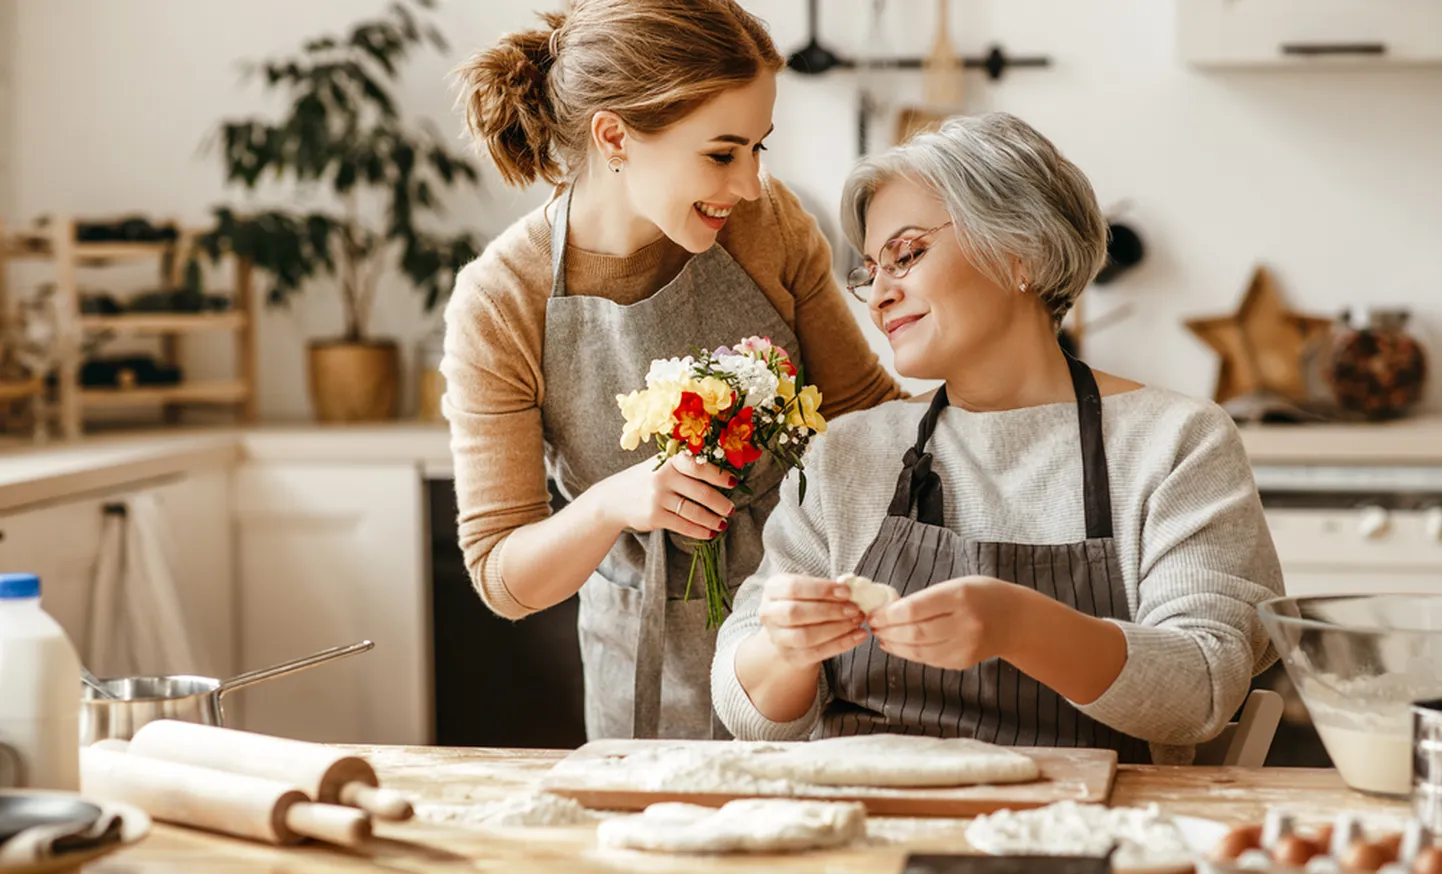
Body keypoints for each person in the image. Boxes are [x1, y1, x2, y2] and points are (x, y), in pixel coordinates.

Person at [712, 112, 1283, 764]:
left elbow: (1204, 690)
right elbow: (747, 711)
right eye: (872, 270)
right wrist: (786, 648)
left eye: (907, 254)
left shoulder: (1176, 442)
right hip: (860, 824)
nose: (879, 297)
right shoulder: (847, 451)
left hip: (1085, 830)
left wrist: (1020, 625)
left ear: (1023, 252)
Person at [443, 0, 901, 742]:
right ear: (615, 136)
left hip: (810, 634)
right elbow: (505, 578)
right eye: (723, 154)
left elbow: (868, 420)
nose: (750, 183)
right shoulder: (503, 298)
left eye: (759, 148)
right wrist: (610, 505)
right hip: (645, 669)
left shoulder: (765, 224)